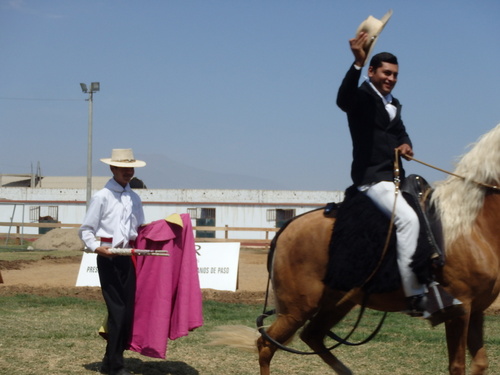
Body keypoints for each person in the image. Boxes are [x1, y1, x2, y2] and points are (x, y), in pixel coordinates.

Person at [336, 31, 427, 315]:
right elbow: (343, 99)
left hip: (396, 179)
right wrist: (357, 63)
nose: (391, 78)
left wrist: (406, 145)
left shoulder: (394, 104)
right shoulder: (361, 98)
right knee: (409, 220)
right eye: (386, 73)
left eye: (395, 75)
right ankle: (415, 294)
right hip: (372, 180)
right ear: (373, 71)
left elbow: (400, 133)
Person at [79, 148, 146, 375]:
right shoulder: (102, 197)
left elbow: (139, 229)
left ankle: (111, 361)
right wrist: (97, 248)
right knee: (117, 311)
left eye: (131, 168)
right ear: (112, 168)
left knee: (127, 313)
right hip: (109, 258)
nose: (128, 172)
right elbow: (87, 229)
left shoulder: (134, 198)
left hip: (128, 258)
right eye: (123, 168)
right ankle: (116, 365)